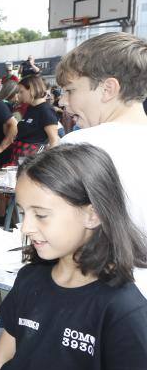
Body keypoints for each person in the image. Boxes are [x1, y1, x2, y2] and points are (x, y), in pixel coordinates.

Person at [0, 144, 147, 370]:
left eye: (42, 215)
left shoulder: (123, 310)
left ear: (92, 215)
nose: (26, 227)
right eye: (23, 212)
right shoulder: (30, 280)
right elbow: (1, 362)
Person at [57, 31, 147, 295]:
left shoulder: (80, 144)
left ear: (108, 89)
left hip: (96, 299)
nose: (63, 101)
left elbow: (59, 232)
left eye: (71, 90)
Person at [9, 75, 59, 162]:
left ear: (31, 90)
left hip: (33, 160)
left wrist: (48, 162)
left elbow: (54, 140)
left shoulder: (46, 110)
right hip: (21, 157)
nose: (19, 95)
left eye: (21, 92)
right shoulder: (30, 108)